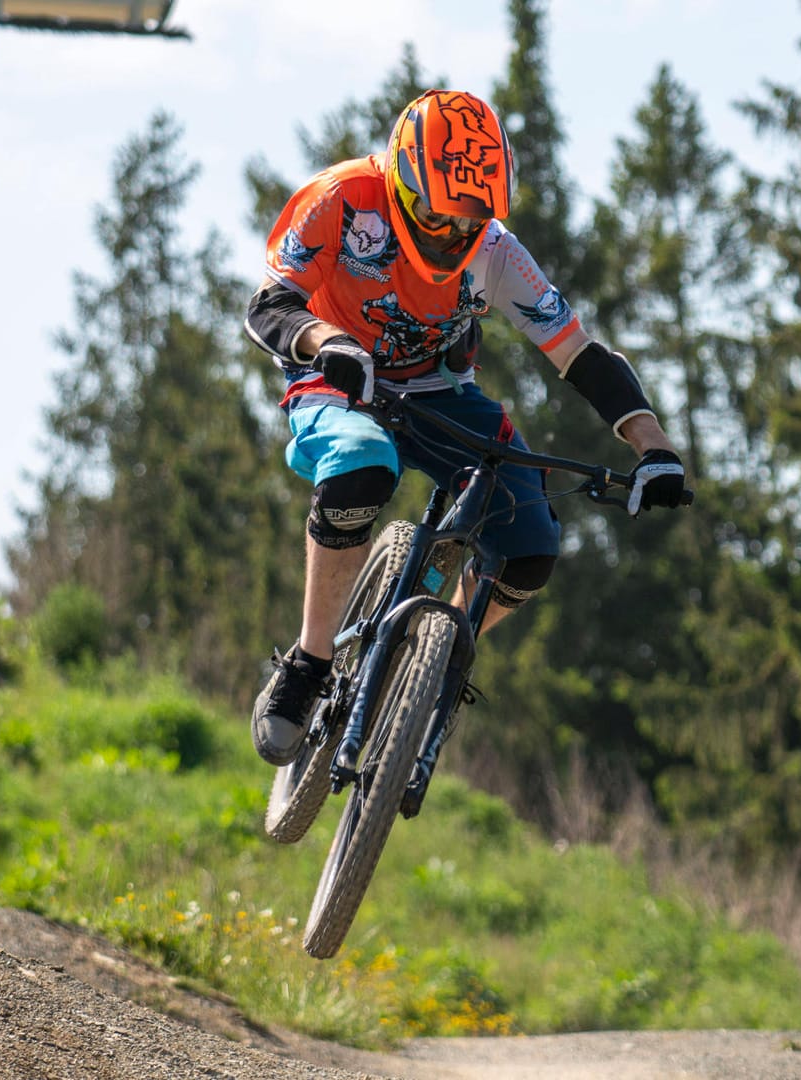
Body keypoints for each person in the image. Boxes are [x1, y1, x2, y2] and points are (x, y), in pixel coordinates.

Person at [242, 88, 688, 766]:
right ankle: (309, 661)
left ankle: (437, 661)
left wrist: (653, 448)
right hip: (336, 374)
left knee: (532, 545)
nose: (452, 234)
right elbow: (270, 304)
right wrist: (323, 342)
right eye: (437, 215)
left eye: (469, 221)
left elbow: (581, 355)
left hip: (438, 390)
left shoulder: (496, 253)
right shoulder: (340, 199)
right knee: (363, 468)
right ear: (399, 181)